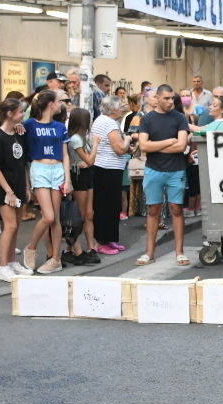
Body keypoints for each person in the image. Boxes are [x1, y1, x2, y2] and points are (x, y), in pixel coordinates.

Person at [136, 85, 190, 268]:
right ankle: (149, 253)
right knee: (153, 210)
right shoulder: (147, 119)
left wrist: (155, 146)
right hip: (154, 169)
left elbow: (181, 146)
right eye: (166, 98)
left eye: (172, 98)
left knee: (176, 209)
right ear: (157, 98)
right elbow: (144, 146)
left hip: (176, 169)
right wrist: (169, 142)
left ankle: (179, 252)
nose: (170, 101)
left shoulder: (180, 118)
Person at [19, 90, 68, 275]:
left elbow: (65, 155)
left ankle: (56, 259)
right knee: (48, 216)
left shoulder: (60, 126)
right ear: (51, 104)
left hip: (58, 169)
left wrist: (68, 179)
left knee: (55, 219)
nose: (61, 104)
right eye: (59, 101)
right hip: (39, 168)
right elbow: (16, 135)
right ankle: (31, 247)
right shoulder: (30, 124)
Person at [0, 98, 30, 281]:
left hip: (18, 184)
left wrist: (26, 186)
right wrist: (9, 192)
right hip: (5, 188)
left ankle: (12, 262)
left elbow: (22, 163)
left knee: (15, 226)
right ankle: (2, 266)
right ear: (10, 114)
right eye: (20, 111)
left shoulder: (18, 133)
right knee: (10, 225)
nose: (23, 114)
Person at [90, 94, 131, 256]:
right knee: (106, 206)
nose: (122, 108)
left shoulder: (102, 120)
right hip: (108, 169)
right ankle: (102, 241)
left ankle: (110, 239)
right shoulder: (109, 123)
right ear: (113, 109)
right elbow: (119, 149)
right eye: (120, 106)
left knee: (110, 205)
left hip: (106, 168)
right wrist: (127, 140)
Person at [61, 107, 98, 265]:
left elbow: (90, 161)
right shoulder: (76, 138)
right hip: (78, 176)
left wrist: (89, 160)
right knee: (80, 216)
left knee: (89, 214)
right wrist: (95, 145)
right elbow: (90, 159)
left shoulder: (83, 137)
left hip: (87, 174)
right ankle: (73, 250)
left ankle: (89, 248)